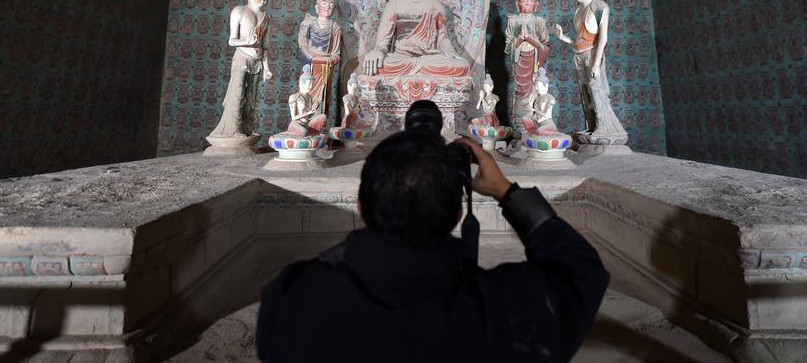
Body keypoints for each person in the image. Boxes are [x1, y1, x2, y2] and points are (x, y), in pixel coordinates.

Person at [256, 104, 609, 362]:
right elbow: (581, 272)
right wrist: (505, 189)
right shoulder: (506, 312)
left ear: (361, 204)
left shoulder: (292, 298)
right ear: (458, 213)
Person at [363, 0, 470, 77]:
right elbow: (383, 41)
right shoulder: (394, 4)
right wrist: (378, 51)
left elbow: (443, 38)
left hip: (430, 57)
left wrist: (451, 53)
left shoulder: (436, 6)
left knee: (462, 66)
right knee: (380, 65)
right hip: (400, 58)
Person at [554, 0, 627, 141]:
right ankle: (591, 125)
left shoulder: (599, 6)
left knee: (596, 90)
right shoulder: (578, 11)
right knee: (584, 91)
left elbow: (603, 38)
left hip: (593, 55)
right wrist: (563, 37)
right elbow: (579, 40)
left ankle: (603, 127)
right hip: (578, 55)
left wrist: (596, 63)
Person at [207, 0, 272, 140]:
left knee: (251, 98)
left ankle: (248, 129)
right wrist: (246, 41)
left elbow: (265, 46)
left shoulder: (267, 17)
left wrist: (267, 67)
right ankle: (233, 130)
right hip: (242, 58)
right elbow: (231, 40)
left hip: (257, 62)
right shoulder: (240, 11)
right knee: (238, 94)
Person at [505, 0, 550, 122]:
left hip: (534, 63)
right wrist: (519, 38)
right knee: (519, 92)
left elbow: (546, 47)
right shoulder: (513, 21)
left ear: (536, 5)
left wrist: (531, 39)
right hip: (519, 63)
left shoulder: (539, 21)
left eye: (530, 2)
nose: (527, 5)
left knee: (535, 91)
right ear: (517, 4)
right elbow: (508, 48)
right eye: (524, 2)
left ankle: (534, 119)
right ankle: (520, 123)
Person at [298, 0, 342, 116]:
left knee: (322, 96)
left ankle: (318, 124)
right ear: (316, 7)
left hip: (324, 68)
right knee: (305, 90)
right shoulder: (308, 23)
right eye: (324, 3)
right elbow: (302, 46)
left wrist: (328, 60)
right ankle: (303, 119)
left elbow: (336, 54)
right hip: (309, 65)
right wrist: (312, 58)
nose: (328, 7)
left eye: (331, 4)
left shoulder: (335, 27)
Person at [285, 65, 327, 136]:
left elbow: (310, 116)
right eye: (309, 84)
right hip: (297, 123)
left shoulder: (309, 97)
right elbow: (294, 117)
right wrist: (308, 113)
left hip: (307, 123)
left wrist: (314, 109)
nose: (311, 87)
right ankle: (307, 133)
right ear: (301, 83)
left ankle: (311, 133)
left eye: (312, 84)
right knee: (304, 132)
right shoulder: (294, 97)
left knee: (323, 116)